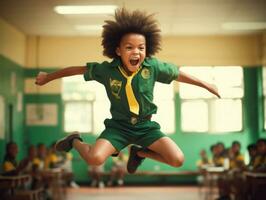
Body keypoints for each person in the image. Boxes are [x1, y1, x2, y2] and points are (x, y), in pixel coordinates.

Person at [35, 8, 220, 174]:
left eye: (141, 48)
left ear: (147, 50)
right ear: (118, 50)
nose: (136, 52)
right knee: (94, 159)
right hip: (118, 128)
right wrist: (48, 77)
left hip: (145, 127)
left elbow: (178, 74)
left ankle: (138, 152)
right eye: (129, 47)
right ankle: (74, 140)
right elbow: (77, 69)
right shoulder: (107, 71)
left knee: (177, 160)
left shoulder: (153, 67)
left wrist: (207, 85)